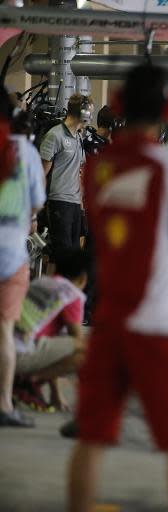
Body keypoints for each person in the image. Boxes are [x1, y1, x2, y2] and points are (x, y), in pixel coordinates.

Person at [67, 64, 168, 512]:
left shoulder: (98, 166)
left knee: (91, 438)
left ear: (117, 105)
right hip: (161, 326)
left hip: (110, 321)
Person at [0, 87, 46, 427]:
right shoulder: (26, 153)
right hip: (11, 252)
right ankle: (3, 403)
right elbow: (37, 203)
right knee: (5, 330)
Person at [13, 248, 88, 413]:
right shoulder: (71, 293)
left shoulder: (42, 282)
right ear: (83, 278)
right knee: (87, 351)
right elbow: (78, 341)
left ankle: (26, 380)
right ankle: (30, 380)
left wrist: (56, 394)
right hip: (19, 355)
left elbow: (54, 347)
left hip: (8, 350)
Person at [39, 93, 92, 261]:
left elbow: (79, 172)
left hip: (75, 204)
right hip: (59, 202)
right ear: (82, 113)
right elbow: (41, 173)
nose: (91, 116)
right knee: (63, 256)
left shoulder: (78, 137)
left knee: (73, 257)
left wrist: (82, 206)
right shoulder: (55, 135)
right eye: (89, 112)